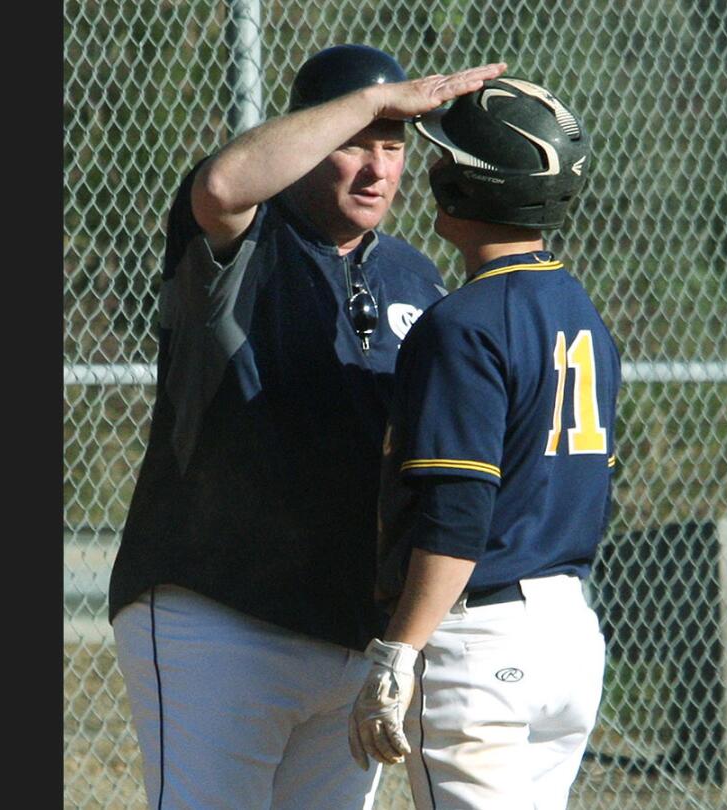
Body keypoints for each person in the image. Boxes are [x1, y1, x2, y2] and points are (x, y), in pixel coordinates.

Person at [106, 44, 506, 810]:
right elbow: (222, 184)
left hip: (355, 636)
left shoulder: (416, 276)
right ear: (315, 133)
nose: (378, 169)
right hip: (219, 615)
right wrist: (375, 102)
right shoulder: (241, 238)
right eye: (359, 142)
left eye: (394, 147)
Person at [348, 76, 620, 810]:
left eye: (448, 159)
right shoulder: (582, 313)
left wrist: (400, 648)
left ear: (471, 187)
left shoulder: (463, 322)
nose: (433, 170)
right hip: (568, 633)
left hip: (479, 641)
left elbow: (459, 511)